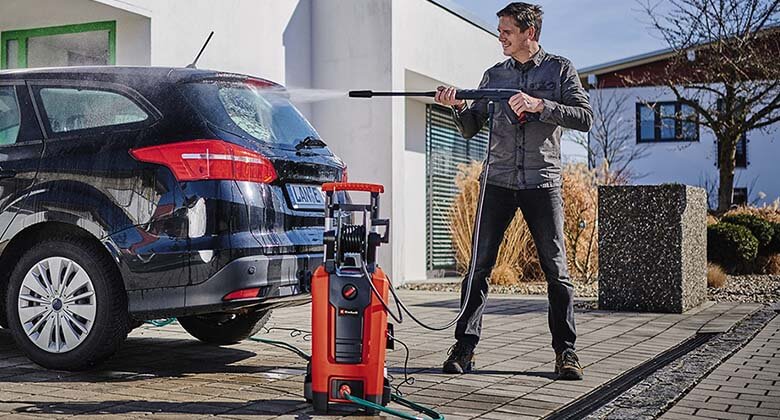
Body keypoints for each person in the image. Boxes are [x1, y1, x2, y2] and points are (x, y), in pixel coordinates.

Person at [434, 2, 592, 380]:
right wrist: (457, 106)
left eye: (507, 31)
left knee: (557, 272)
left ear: (529, 33)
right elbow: (470, 127)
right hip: (497, 182)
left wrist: (541, 105)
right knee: (477, 268)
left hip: (542, 182)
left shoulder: (560, 69)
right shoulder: (493, 75)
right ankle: (464, 348)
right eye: (500, 30)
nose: (500, 37)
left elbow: (584, 117)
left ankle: (566, 352)